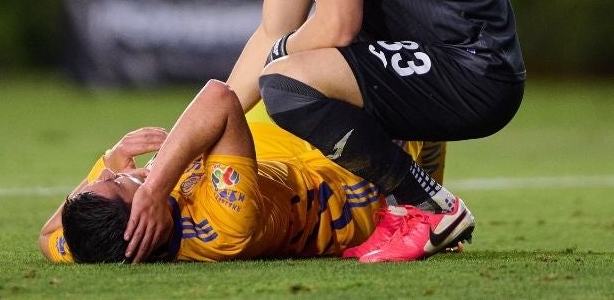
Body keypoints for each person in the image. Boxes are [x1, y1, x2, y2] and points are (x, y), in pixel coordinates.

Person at [123, 0, 525, 263]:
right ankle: (411, 205)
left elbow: (336, 26)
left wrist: (279, 62)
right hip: (442, 61)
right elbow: (270, 34)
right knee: (286, 72)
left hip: (478, 68)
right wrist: (183, 150)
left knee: (286, 85)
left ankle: (430, 207)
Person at [40, 80, 432, 263]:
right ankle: (428, 209)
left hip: (277, 155)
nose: (111, 174)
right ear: (143, 225)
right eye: (123, 184)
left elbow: (48, 234)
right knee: (401, 91)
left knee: (277, 64)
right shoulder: (226, 222)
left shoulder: (95, 244)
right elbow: (217, 97)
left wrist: (111, 162)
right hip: (347, 182)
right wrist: (156, 186)